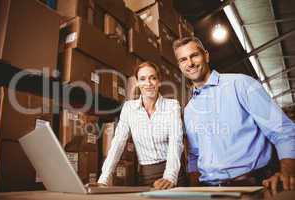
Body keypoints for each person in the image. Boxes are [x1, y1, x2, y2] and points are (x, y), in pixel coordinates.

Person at [172, 36, 295, 193]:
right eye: (183, 59)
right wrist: (195, 189)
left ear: (206, 56)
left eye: (194, 55)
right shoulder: (189, 110)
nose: (190, 63)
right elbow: (195, 155)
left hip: (250, 185)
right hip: (209, 191)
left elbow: (283, 129)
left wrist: (288, 171)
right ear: (180, 66)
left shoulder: (241, 84)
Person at [97, 61, 187, 189]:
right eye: (143, 79)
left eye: (153, 78)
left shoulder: (172, 106)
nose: (148, 83)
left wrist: (170, 176)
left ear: (159, 81)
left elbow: (176, 141)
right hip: (146, 176)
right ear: (138, 83)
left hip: (174, 175)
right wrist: (103, 179)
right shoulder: (129, 108)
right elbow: (118, 143)